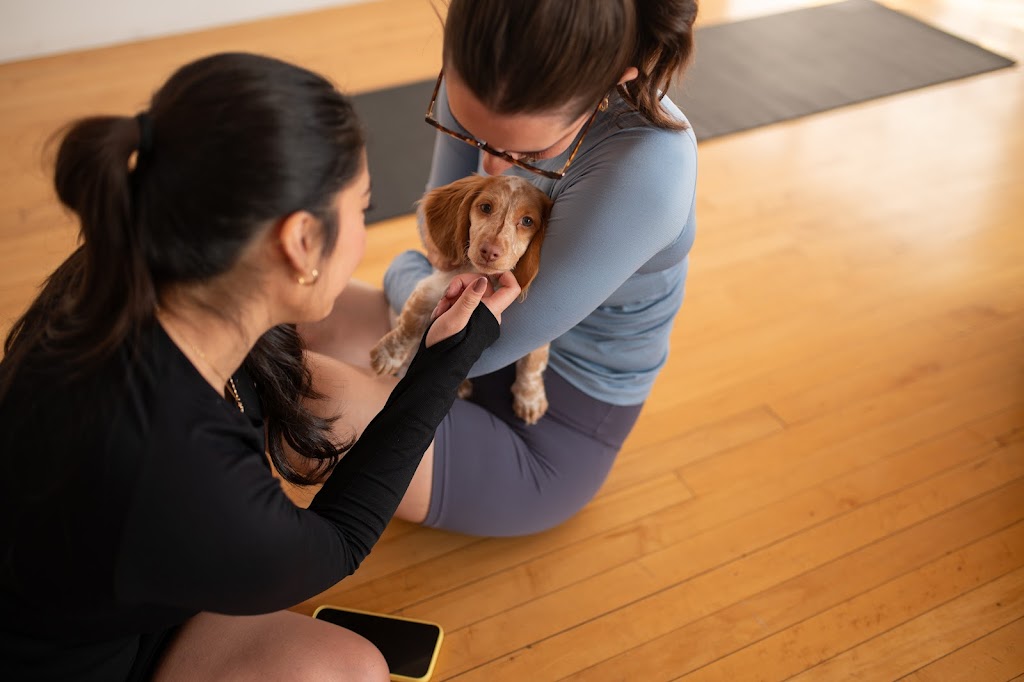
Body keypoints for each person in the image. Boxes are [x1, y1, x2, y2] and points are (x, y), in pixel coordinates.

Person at [0, 52, 519, 681]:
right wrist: (446, 363)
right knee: (354, 671)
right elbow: (340, 544)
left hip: (117, 590)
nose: (361, 231)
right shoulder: (177, 465)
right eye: (363, 207)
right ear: (301, 240)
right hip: (77, 662)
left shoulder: (128, 274)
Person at [301, 0, 699, 536]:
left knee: (305, 400)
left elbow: (466, 341)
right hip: (452, 321)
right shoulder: (482, 67)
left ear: (613, 81)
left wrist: (404, 274)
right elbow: (441, 246)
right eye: (471, 132)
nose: (488, 167)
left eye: (529, 153)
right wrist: (423, 276)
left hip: (547, 419)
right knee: (275, 317)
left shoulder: (646, 168)